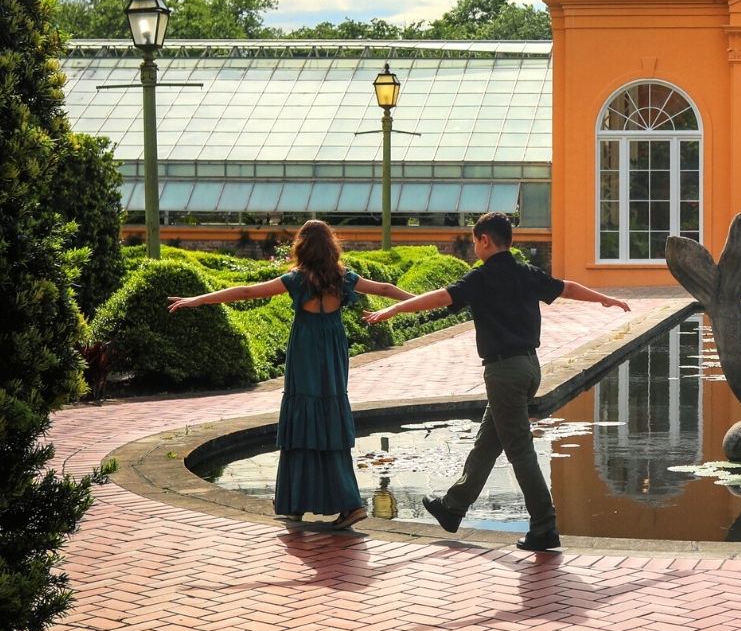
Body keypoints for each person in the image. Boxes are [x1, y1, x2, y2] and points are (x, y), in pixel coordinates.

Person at [363, 211, 630, 551]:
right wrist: (604, 298)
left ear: (485, 240)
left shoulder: (481, 277)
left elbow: (441, 297)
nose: (475, 247)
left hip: (504, 372)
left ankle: (545, 527)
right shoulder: (526, 272)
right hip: (530, 367)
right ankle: (453, 507)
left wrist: (392, 310)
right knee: (488, 441)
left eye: (476, 241)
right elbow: (568, 287)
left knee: (520, 452)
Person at [168, 219, 415, 528]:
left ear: (302, 247)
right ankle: (344, 505)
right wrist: (423, 301)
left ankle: (298, 501)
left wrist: (198, 300)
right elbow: (385, 288)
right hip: (333, 350)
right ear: (330, 247)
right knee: (330, 418)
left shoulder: (297, 280)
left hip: (305, 350)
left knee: (302, 419)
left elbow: (246, 291)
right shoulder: (343, 278)